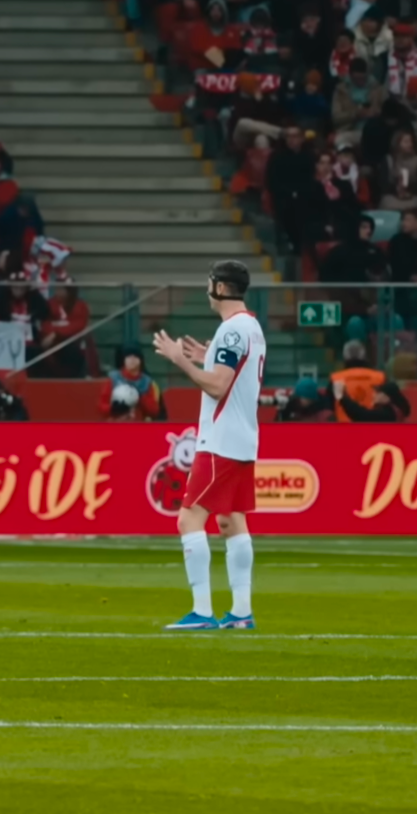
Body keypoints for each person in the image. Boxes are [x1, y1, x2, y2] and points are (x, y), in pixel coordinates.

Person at [152, 260, 265, 632]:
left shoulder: (232, 330)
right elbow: (233, 375)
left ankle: (202, 612)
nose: (206, 290)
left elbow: (217, 386)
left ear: (219, 287)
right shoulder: (249, 326)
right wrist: (207, 357)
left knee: (189, 519)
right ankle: (241, 612)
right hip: (242, 438)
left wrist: (180, 360)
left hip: (220, 441)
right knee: (232, 521)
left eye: (209, 284)